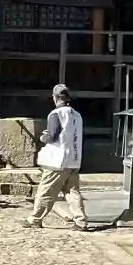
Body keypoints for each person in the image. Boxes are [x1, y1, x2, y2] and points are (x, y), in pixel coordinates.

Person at [24, 83, 88, 230]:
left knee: (46, 191)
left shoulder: (56, 114)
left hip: (57, 160)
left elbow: (52, 136)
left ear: (56, 97)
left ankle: (35, 219)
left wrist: (43, 137)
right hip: (74, 159)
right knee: (72, 192)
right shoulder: (77, 115)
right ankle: (81, 221)